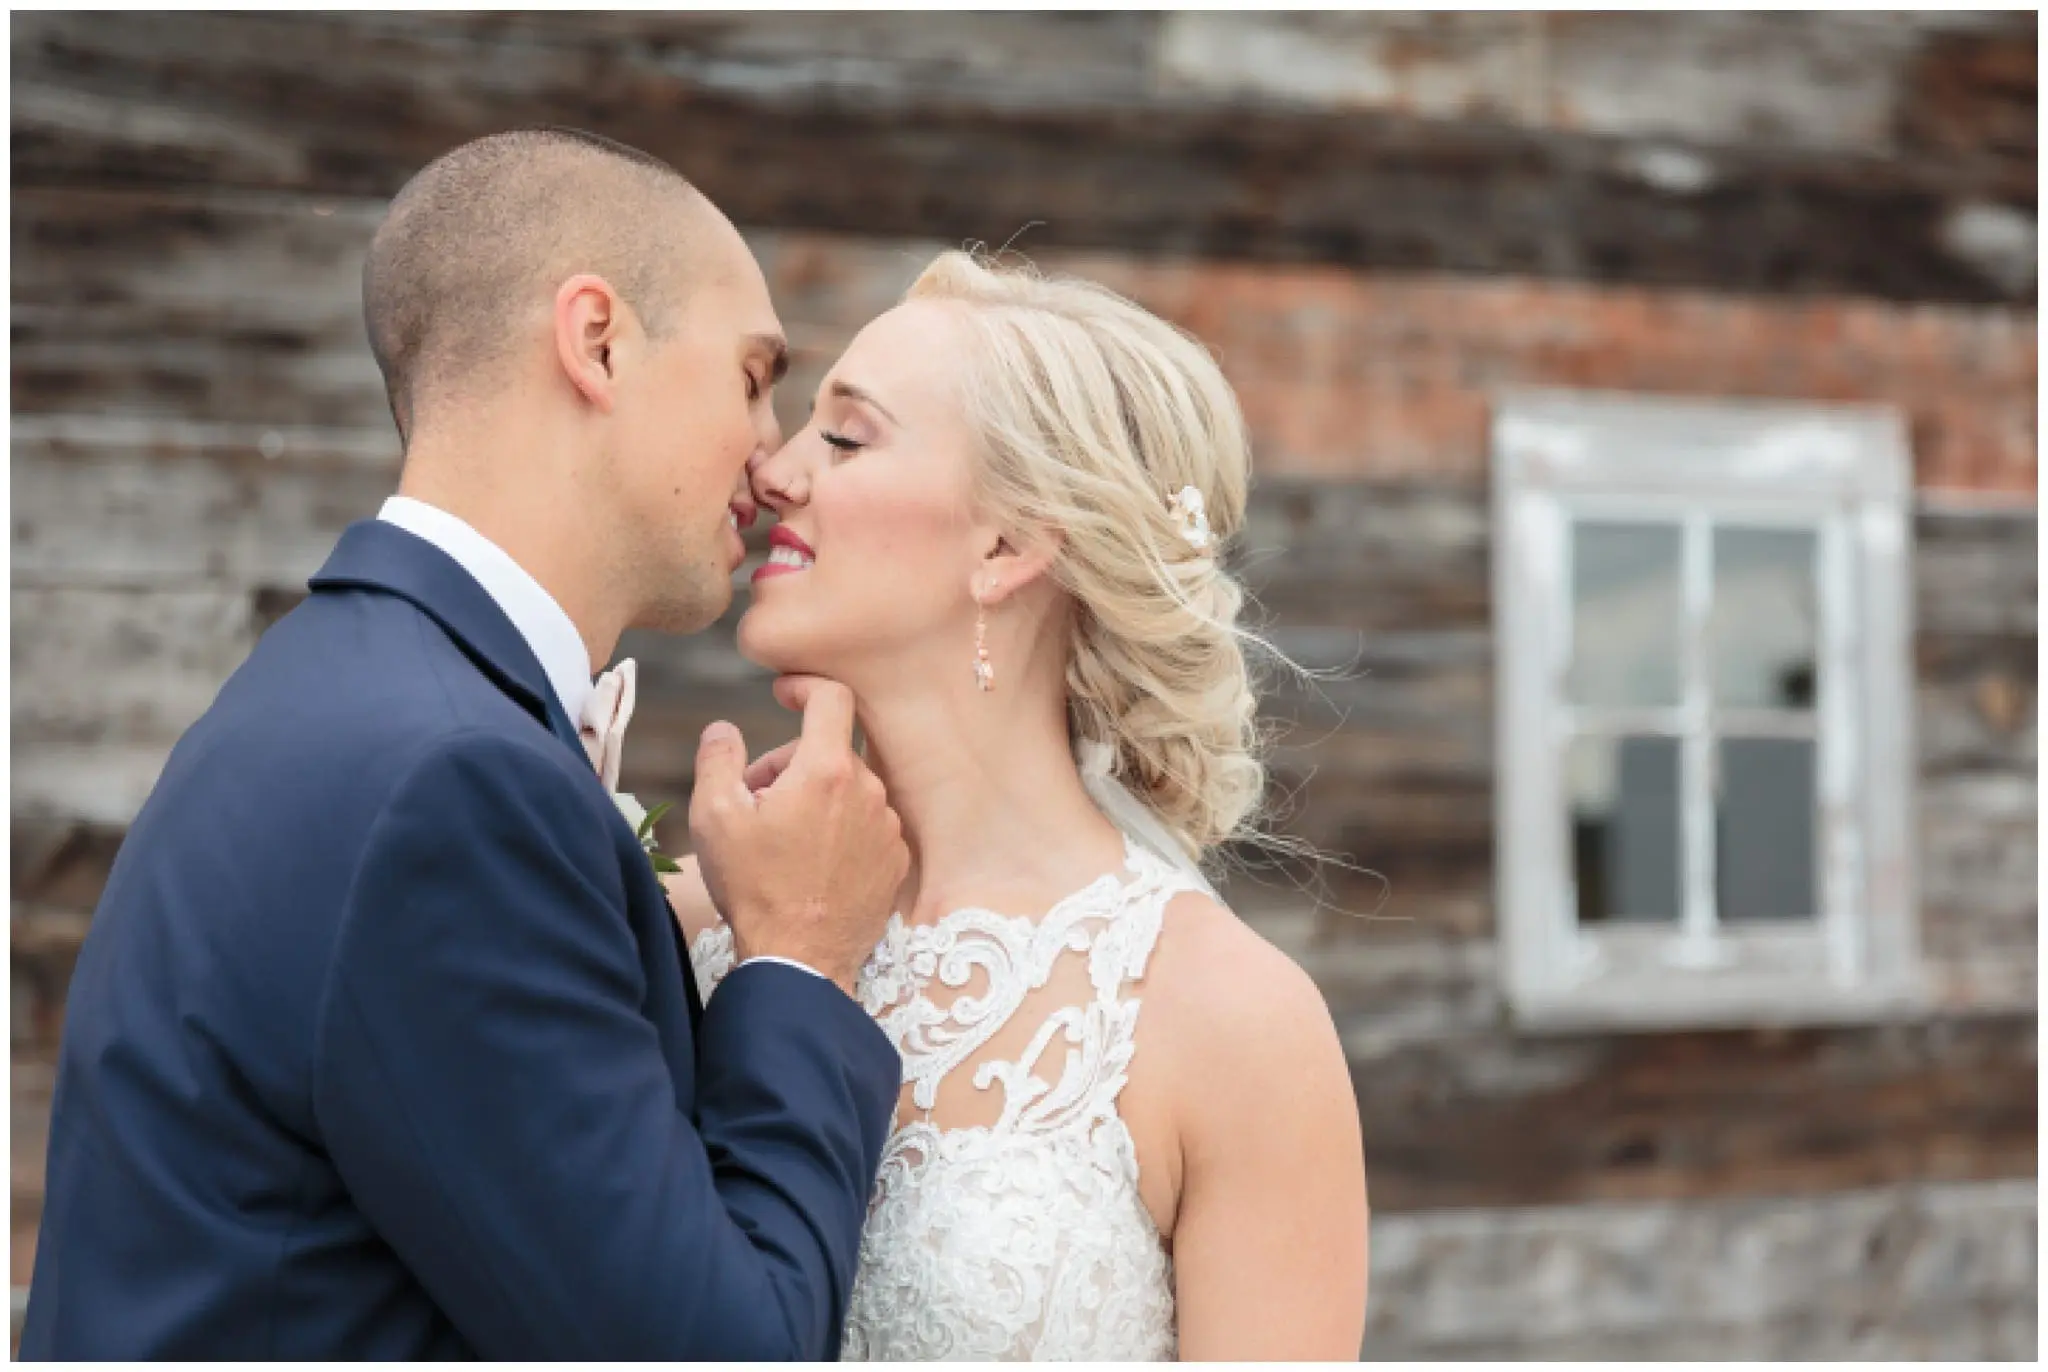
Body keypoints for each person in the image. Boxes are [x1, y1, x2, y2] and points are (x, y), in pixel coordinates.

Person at [20, 128, 909, 1359]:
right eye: (753, 379)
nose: (770, 460)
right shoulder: (451, 779)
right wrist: (798, 964)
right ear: (596, 340)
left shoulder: (342, 691)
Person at [663, 251, 1370, 1359]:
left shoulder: (1230, 1022)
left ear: (1007, 544)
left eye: (844, 437)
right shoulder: (705, 920)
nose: (775, 470)